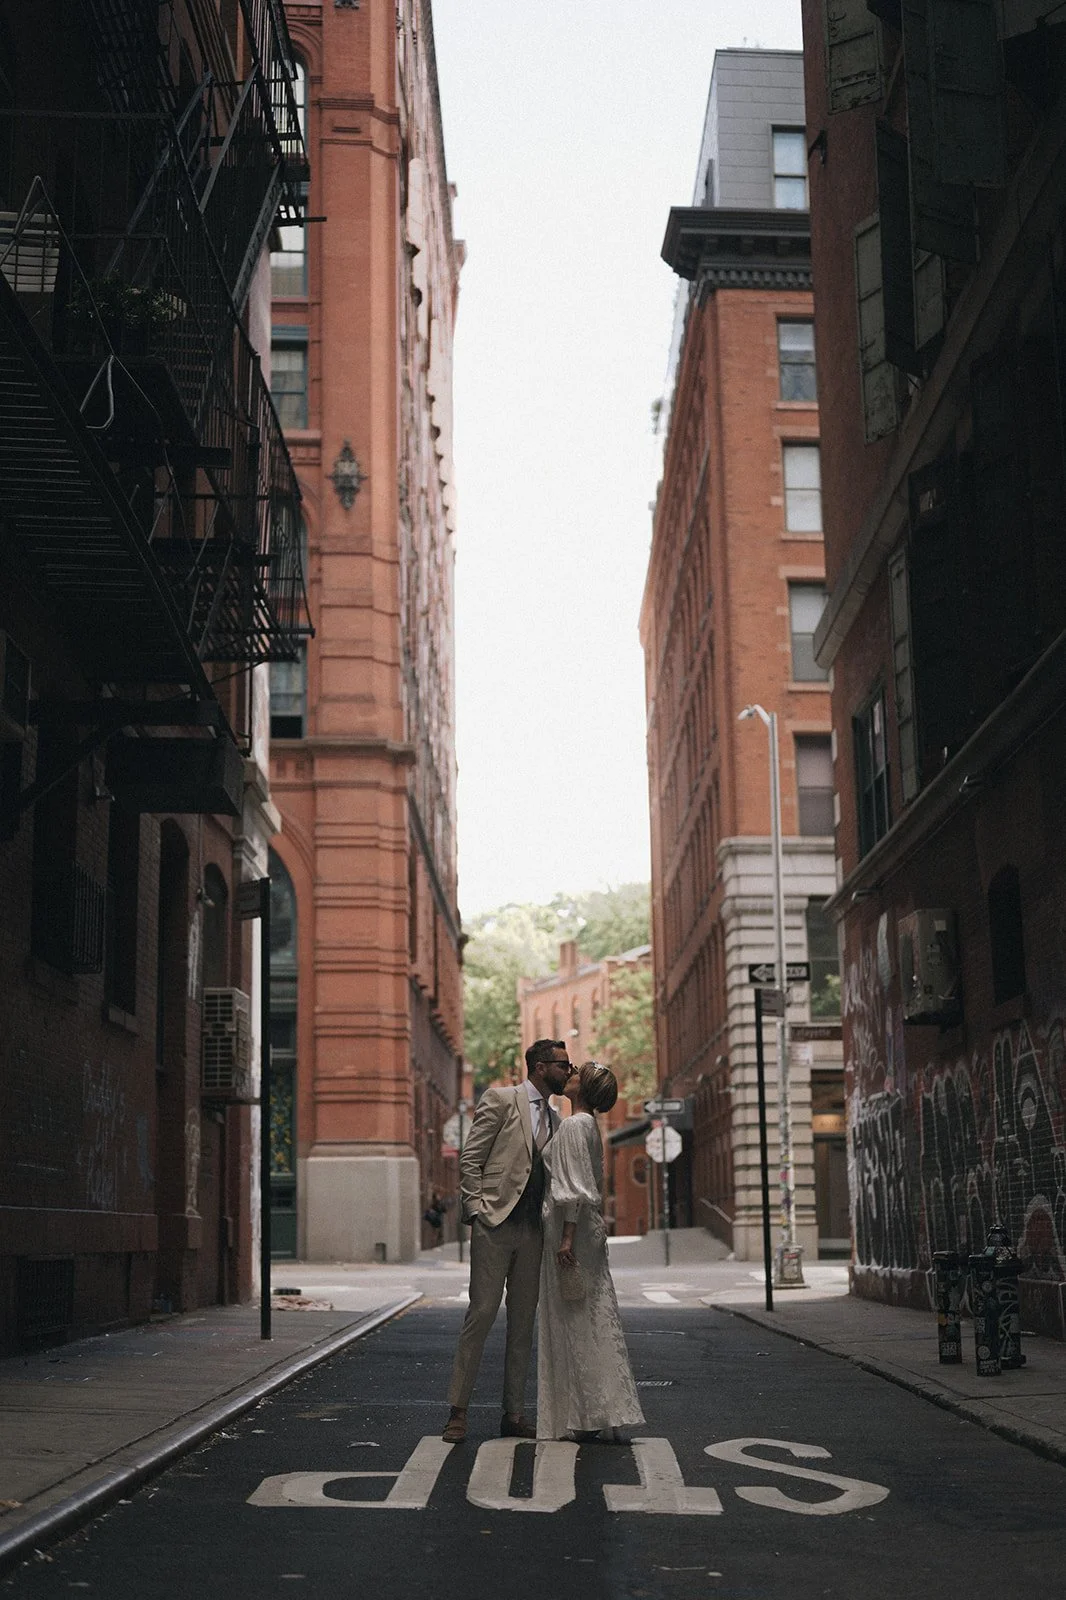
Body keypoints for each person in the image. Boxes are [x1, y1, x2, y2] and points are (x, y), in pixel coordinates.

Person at [441, 1038, 573, 1444]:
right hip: (495, 1223)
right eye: (562, 1065)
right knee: (480, 1315)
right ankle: (457, 1412)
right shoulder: (501, 1100)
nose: (568, 1071)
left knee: (522, 1324)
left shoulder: (555, 1119)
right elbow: (471, 1157)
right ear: (538, 1066)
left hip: (534, 1230)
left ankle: (512, 1414)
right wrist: (478, 1208)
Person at [537, 1060, 645, 1443]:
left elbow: (574, 1188)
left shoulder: (572, 1126)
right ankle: (603, 1409)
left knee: (574, 1320)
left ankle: (587, 1414)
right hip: (587, 1232)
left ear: (583, 1089)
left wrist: (566, 1239)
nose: (570, 1076)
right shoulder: (588, 1126)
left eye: (576, 1074)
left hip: (573, 1234)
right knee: (595, 1317)